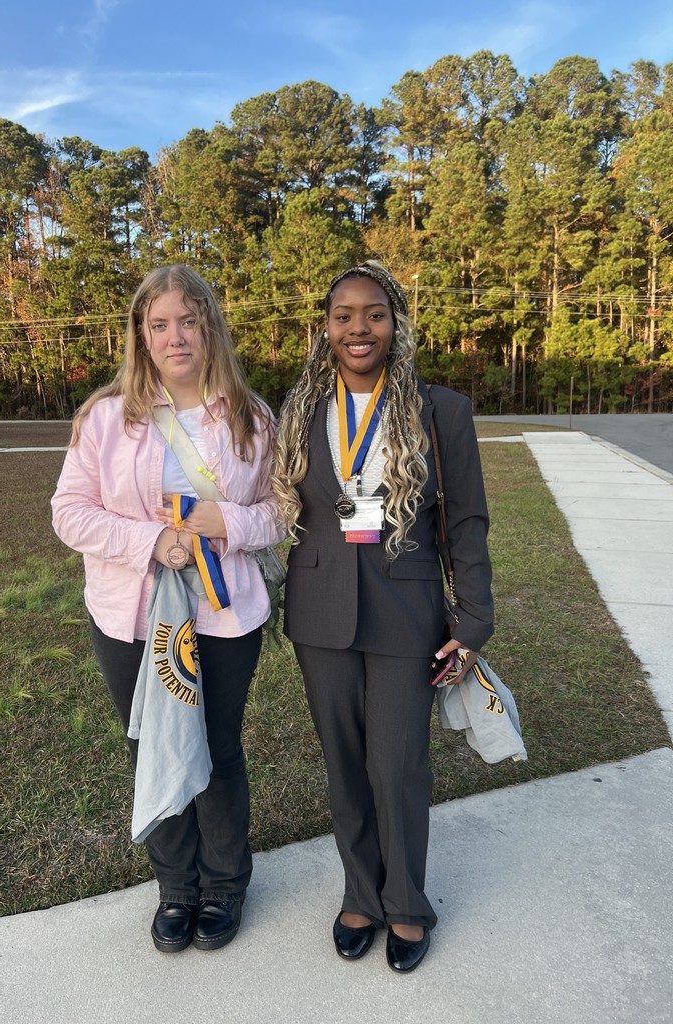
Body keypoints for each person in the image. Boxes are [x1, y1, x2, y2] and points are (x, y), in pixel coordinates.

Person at [52, 265, 284, 954]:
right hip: (132, 614)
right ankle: (175, 887)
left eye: (189, 320)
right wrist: (154, 540)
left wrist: (226, 525)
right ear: (141, 335)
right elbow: (69, 513)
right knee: (150, 742)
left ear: (210, 324)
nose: (175, 336)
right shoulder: (106, 417)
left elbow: (281, 510)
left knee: (215, 748)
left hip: (224, 615)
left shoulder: (252, 415)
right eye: (159, 324)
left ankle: (225, 883)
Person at [271, 261, 494, 973]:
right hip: (319, 610)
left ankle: (406, 905)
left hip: (407, 607)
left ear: (396, 323)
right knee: (345, 767)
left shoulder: (442, 411)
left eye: (373, 314)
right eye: (343, 316)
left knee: (397, 766)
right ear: (326, 328)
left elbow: (466, 520)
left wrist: (474, 616)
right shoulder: (300, 408)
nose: (357, 328)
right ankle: (359, 894)